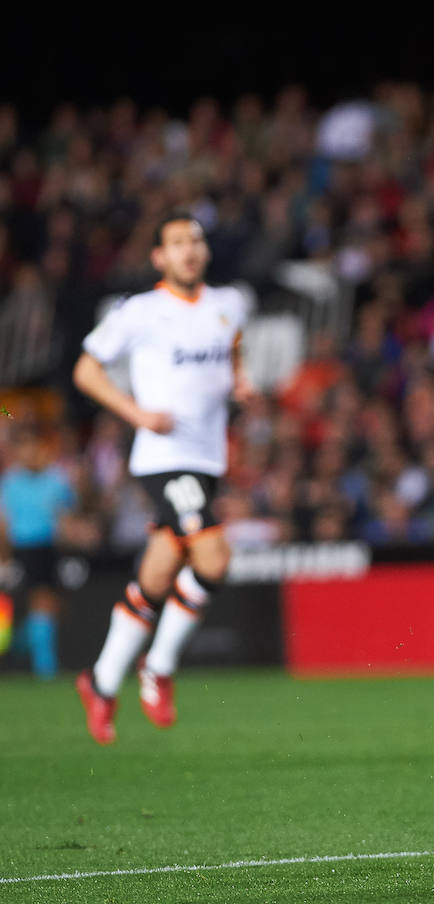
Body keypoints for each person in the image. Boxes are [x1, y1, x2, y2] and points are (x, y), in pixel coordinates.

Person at [72, 211, 253, 744]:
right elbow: (86, 370)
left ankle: (101, 682)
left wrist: (239, 381)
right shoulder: (141, 312)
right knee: (214, 557)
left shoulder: (229, 304)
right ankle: (160, 666)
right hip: (163, 457)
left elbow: (233, 345)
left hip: (207, 460)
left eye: (194, 240)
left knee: (155, 578)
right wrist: (138, 415)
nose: (189, 250)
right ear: (159, 257)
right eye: (177, 243)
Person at [0, 426, 76, 678]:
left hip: (50, 549)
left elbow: (67, 515)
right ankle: (46, 669)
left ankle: (22, 642)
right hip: (24, 548)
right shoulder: (10, 482)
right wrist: (6, 559)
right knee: (42, 603)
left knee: (53, 609)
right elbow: (4, 523)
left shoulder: (56, 478)